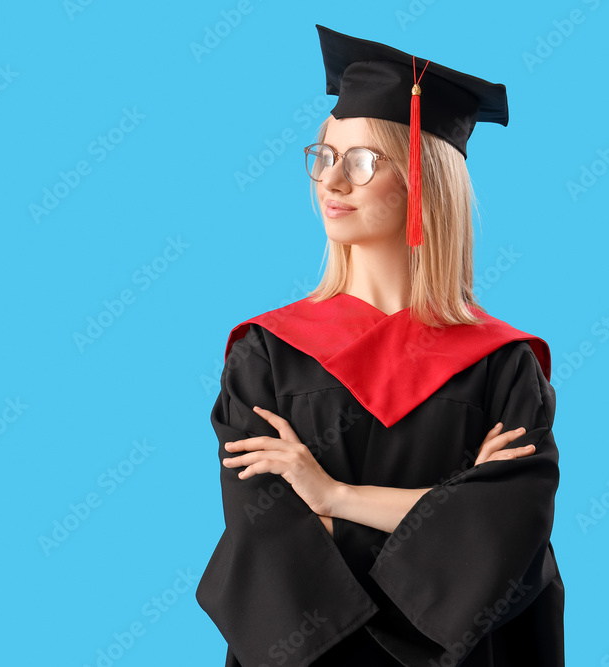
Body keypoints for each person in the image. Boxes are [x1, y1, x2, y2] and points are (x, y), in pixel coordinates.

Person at [196, 24, 564, 666]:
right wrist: (443, 513)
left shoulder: (503, 366)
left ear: (425, 182)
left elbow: (510, 538)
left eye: (364, 161)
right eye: (323, 155)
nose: (332, 182)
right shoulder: (265, 354)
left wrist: (333, 499)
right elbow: (262, 536)